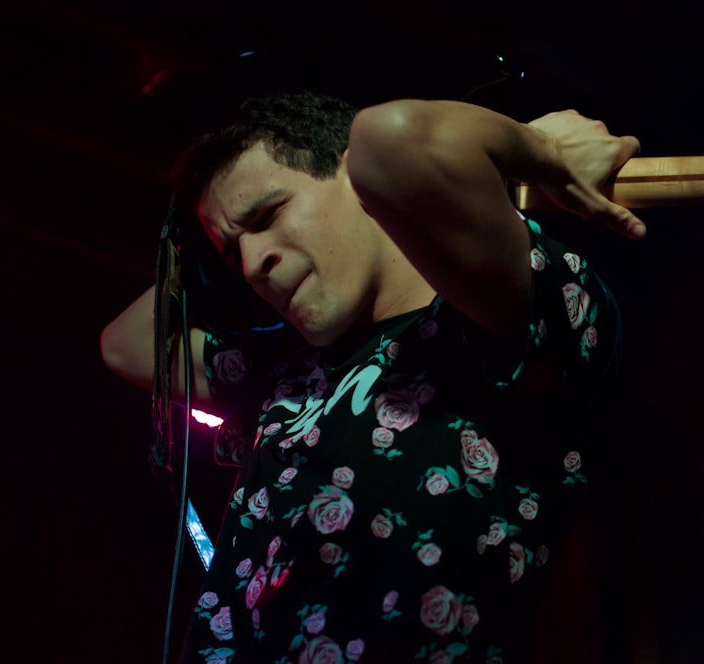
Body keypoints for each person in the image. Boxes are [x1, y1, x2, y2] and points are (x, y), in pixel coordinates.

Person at [101, 90, 645, 663]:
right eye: (233, 250)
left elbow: (392, 139)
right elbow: (126, 343)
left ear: (356, 180)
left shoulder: (496, 321)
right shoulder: (289, 368)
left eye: (267, 215)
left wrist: (536, 149)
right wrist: (196, 246)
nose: (251, 263)